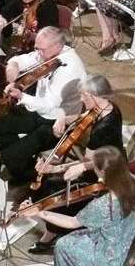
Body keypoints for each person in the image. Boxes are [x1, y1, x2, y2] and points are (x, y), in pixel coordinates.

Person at [22, 74, 126, 254]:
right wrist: (62, 117)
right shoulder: (107, 107)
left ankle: (52, 234)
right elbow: (81, 117)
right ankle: (52, 228)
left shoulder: (102, 129)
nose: (81, 99)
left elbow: (88, 163)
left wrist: (54, 168)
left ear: (94, 95)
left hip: (106, 173)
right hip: (108, 161)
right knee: (50, 181)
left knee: (52, 188)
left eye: (84, 96)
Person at [0, 27, 87, 185]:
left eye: (41, 49)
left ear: (58, 46)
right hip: (38, 112)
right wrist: (12, 66)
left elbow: (48, 105)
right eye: (37, 48)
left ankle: (27, 177)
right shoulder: (48, 53)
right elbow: (25, 59)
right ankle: (23, 164)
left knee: (11, 155)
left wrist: (21, 96)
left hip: (57, 122)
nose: (38, 53)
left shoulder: (69, 69)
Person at [23, 146, 135, 266]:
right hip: (125, 239)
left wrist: (39, 212)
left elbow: (71, 222)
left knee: (62, 245)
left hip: (108, 262)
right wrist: (83, 166)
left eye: (94, 167)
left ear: (102, 172)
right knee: (79, 235)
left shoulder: (103, 206)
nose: (93, 168)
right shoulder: (133, 181)